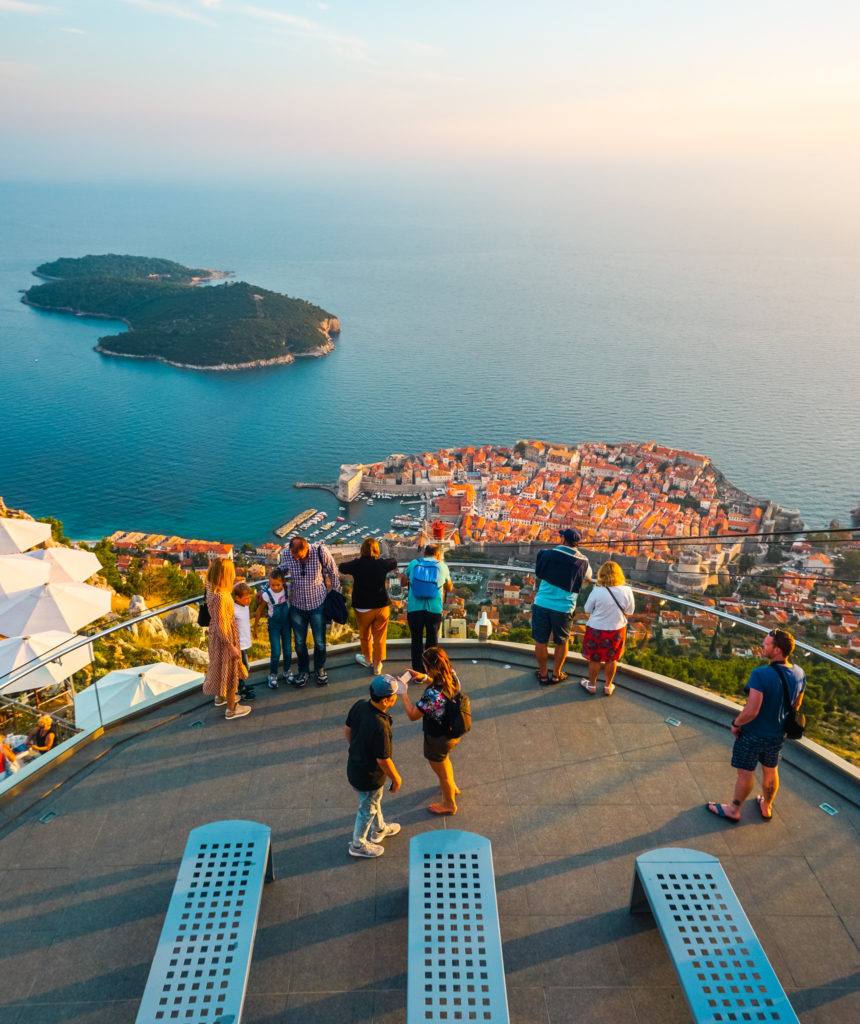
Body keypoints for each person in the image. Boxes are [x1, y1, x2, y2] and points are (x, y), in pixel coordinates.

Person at [707, 628, 806, 822]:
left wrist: (736, 724)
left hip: (752, 734)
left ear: (777, 650)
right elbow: (796, 705)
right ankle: (766, 807)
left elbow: (752, 710)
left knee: (745, 773)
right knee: (771, 770)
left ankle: (734, 810)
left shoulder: (760, 674)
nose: (762, 646)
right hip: (777, 734)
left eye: (766, 644)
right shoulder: (799, 673)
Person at [344, 673, 406, 858]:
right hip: (369, 777)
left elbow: (348, 730)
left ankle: (379, 830)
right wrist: (396, 778)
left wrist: (358, 749)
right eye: (395, 695)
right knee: (367, 809)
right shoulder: (381, 726)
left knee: (371, 801)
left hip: (355, 767)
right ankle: (358, 844)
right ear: (387, 700)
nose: (396, 697)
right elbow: (383, 759)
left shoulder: (360, 705)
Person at [400, 647, 463, 815]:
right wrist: (425, 678)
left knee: (441, 772)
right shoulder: (452, 676)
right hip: (452, 732)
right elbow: (439, 682)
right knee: (445, 761)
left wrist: (403, 693)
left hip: (437, 738)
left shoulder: (433, 695)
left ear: (429, 667)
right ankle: (452, 786)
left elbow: (413, 715)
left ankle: (449, 804)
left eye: (424, 667)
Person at [531, 527, 592, 685]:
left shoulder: (547, 554)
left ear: (563, 540)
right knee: (562, 642)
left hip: (542, 603)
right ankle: (556, 674)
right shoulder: (583, 561)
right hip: (564, 608)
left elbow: (539, 570)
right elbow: (588, 576)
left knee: (541, 640)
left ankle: (543, 674)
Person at [280, 537, 341, 687]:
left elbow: (334, 573)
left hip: (318, 605)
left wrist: (335, 596)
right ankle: (304, 671)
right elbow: (279, 572)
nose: (295, 558)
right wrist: (265, 590)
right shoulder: (287, 554)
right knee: (299, 643)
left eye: (298, 556)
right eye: (293, 555)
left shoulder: (321, 552)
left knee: (319, 642)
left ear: (306, 548)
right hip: (297, 605)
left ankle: (320, 669)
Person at [339, 537, 398, 675]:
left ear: (362, 550)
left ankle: (367, 658)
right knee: (379, 636)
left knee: (365, 635)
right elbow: (394, 562)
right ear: (377, 550)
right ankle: (377, 665)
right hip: (381, 606)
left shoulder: (357, 564)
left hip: (363, 606)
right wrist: (381, 558)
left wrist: (355, 561)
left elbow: (341, 567)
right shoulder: (381, 564)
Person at [201, 558, 251, 720]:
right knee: (230, 671)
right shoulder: (222, 597)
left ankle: (221, 697)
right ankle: (231, 709)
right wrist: (231, 646)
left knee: (219, 666)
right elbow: (223, 624)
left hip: (215, 635)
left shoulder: (211, 588)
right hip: (225, 636)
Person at [580, 561, 635, 696]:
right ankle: (608, 686)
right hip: (617, 629)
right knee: (611, 659)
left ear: (601, 575)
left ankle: (592, 685)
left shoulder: (597, 591)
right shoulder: (627, 590)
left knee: (595, 658)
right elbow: (631, 611)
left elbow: (587, 609)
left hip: (596, 629)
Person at [401, 543, 453, 671]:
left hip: (414, 609)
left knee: (416, 640)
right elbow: (450, 587)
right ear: (438, 555)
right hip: (434, 609)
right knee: (432, 641)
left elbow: (403, 582)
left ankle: (417, 671)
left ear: (424, 554)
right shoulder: (442, 566)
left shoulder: (414, 563)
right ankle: (431, 670)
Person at [253, 567, 294, 688]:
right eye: (272, 585)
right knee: (276, 651)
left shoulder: (288, 587)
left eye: (277, 585)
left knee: (287, 649)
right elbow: (259, 611)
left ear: (283, 583)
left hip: (286, 624)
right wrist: (255, 628)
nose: (275, 587)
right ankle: (273, 674)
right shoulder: (266, 595)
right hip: (274, 626)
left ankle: (287, 671)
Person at [232, 581, 256, 702]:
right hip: (238, 645)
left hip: (245, 642)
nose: (249, 600)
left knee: (244, 667)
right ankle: (241, 690)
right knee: (243, 667)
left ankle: (241, 686)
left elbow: (246, 618)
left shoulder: (245, 607)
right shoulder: (233, 609)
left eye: (250, 598)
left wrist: (256, 614)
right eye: (246, 598)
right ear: (237, 598)